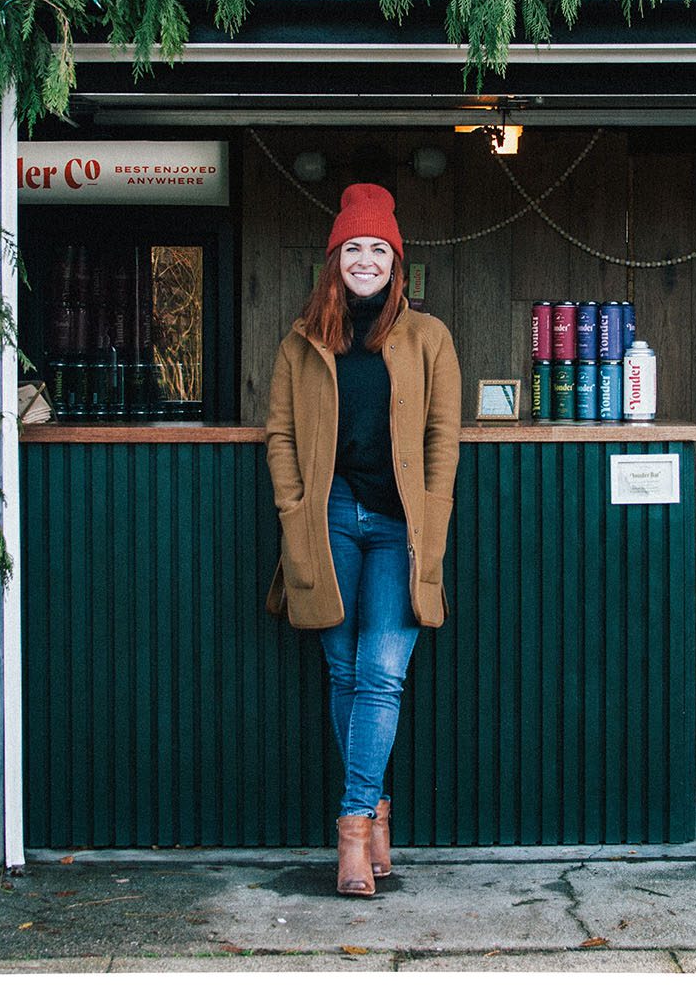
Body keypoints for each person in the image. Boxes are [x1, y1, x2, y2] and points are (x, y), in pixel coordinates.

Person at [264, 181, 461, 898]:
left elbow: (443, 439)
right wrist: (293, 508)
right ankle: (375, 820)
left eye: (380, 249)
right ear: (335, 258)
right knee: (344, 674)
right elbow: (280, 434)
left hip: (401, 530)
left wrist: (433, 514)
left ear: (396, 262)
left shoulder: (428, 338)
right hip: (329, 523)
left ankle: (352, 827)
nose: (368, 260)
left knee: (380, 673)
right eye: (356, 248)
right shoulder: (302, 341)